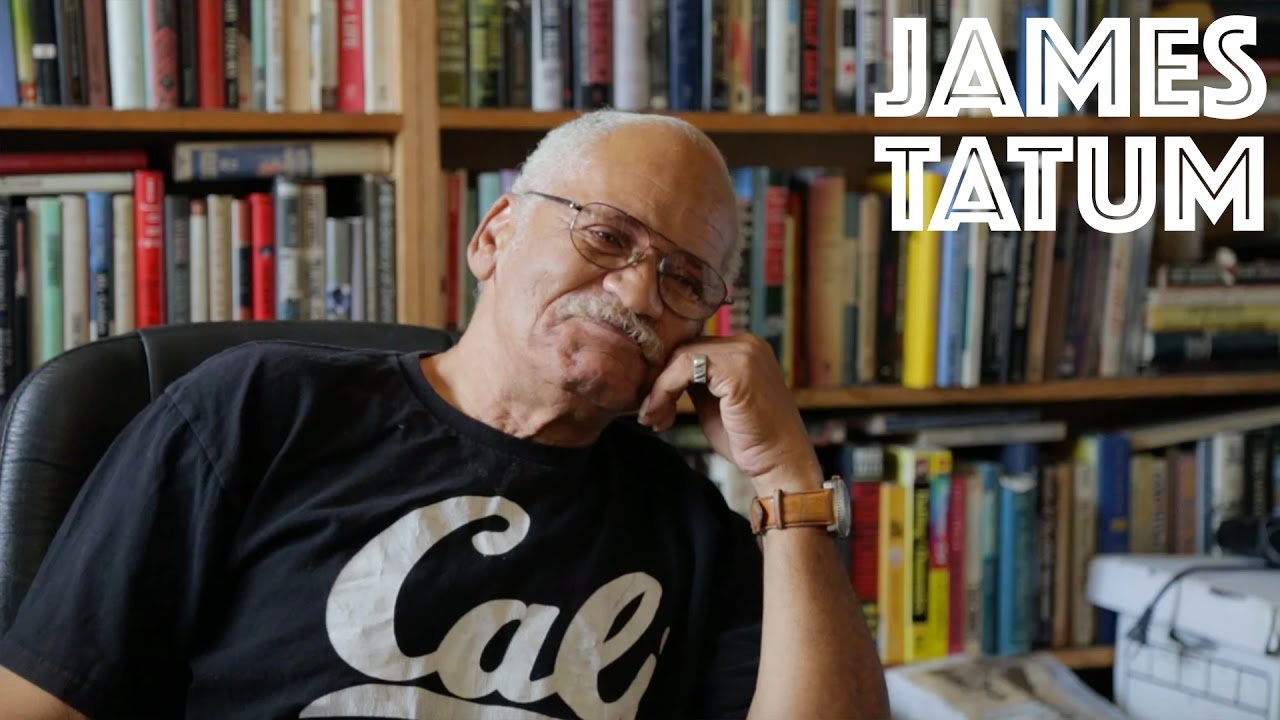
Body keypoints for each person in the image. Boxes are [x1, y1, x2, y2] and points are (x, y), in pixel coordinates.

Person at [0, 111, 888, 719]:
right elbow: (42, 701)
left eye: (685, 277)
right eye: (608, 236)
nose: (637, 291)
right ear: (494, 235)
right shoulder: (258, 408)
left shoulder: (693, 525)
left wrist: (789, 482)